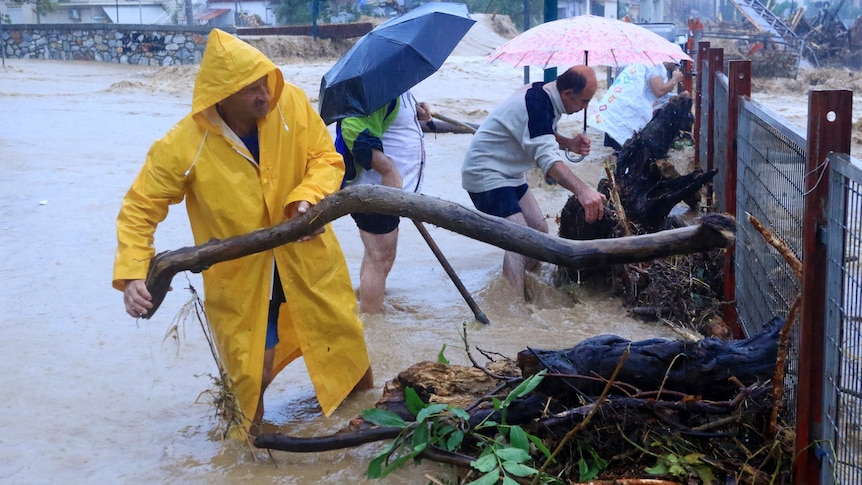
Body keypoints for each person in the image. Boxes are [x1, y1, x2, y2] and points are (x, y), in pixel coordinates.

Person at [113, 29, 373, 437]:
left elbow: (326, 157)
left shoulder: (289, 104)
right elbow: (140, 208)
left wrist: (307, 199)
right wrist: (133, 273)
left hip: (307, 257)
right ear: (221, 95)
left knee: (345, 346)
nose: (264, 95)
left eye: (264, 82)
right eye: (250, 89)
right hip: (243, 276)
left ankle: (362, 430)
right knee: (254, 367)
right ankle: (244, 452)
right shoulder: (185, 143)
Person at [461, 65, 607, 300]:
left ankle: (523, 287)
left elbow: (539, 132)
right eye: (584, 101)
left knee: (539, 231)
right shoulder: (538, 105)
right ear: (568, 94)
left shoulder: (543, 92)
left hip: (509, 174)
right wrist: (583, 191)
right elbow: (548, 162)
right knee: (518, 241)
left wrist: (568, 143)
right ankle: (514, 312)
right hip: (485, 175)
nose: (585, 108)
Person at [335, 91, 432, 314]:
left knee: (376, 256)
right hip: (375, 191)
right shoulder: (376, 89)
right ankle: (372, 323)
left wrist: (416, 112)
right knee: (380, 259)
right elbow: (354, 131)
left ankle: (367, 307)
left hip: (389, 191)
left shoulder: (397, 87)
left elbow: (389, 120)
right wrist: (387, 170)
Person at [592, 62, 685, 150]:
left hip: (617, 110)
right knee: (627, 153)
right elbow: (659, 91)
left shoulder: (641, 61)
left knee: (620, 153)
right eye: (675, 62)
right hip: (626, 115)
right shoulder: (655, 65)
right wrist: (674, 80)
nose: (675, 65)